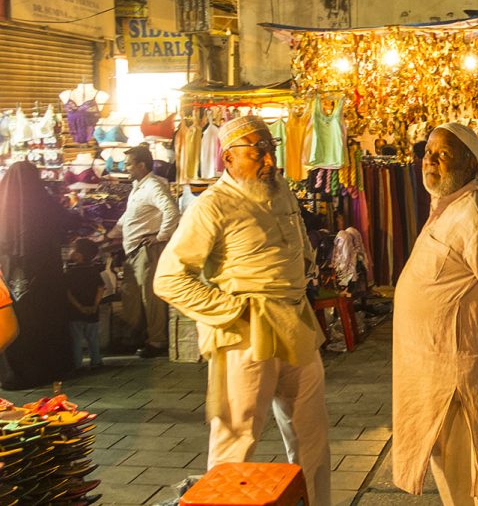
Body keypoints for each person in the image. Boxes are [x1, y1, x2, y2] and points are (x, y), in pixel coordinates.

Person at [154, 116, 331, 505]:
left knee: (312, 436)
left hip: (296, 322)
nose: (269, 161)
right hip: (244, 335)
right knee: (236, 438)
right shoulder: (211, 206)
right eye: (257, 153)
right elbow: (168, 279)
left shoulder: (281, 189)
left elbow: (299, 240)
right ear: (227, 158)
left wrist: (305, 269)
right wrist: (232, 310)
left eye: (270, 150)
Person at [391, 123, 478, 506]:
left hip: (458, 369)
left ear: (470, 165)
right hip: (430, 367)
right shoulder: (445, 207)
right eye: (428, 153)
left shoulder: (476, 215)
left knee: (469, 473)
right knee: (446, 461)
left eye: (443, 154)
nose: (429, 161)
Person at [0, 161, 75, 389]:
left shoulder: (4, 203)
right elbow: (67, 224)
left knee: (14, 321)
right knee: (44, 318)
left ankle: (14, 373)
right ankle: (49, 368)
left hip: (10, 272)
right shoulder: (45, 203)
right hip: (45, 275)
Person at [108, 144, 179, 357]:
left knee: (150, 297)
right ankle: (135, 337)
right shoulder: (138, 187)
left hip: (147, 250)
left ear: (141, 165)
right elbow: (130, 216)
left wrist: (160, 236)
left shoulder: (153, 187)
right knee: (132, 296)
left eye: (129, 164)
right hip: (133, 250)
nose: (126, 167)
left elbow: (171, 211)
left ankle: (157, 341)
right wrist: (111, 234)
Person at [65, 237, 105, 371]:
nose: (69, 251)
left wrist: (79, 307)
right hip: (93, 311)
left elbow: (68, 293)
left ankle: (77, 364)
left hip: (75, 312)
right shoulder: (94, 271)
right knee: (93, 338)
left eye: (71, 249)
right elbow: (100, 288)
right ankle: (96, 361)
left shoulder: (70, 272)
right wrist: (95, 305)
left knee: (76, 339)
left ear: (78, 255)